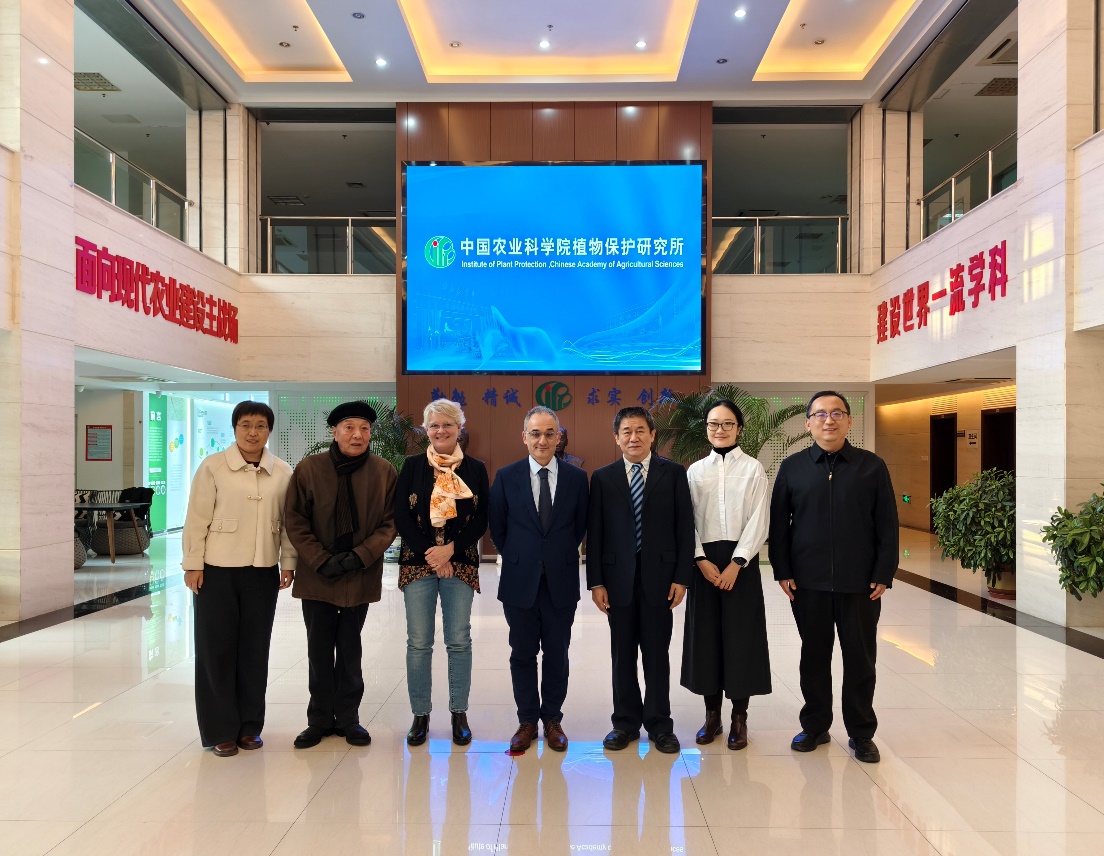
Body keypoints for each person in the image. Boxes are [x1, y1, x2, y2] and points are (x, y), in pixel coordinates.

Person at [769, 391, 899, 763]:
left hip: (860, 584)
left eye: (837, 413)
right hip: (807, 583)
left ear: (849, 421)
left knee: (860, 659)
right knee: (813, 657)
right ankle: (815, 726)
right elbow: (779, 525)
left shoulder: (871, 466)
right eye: (821, 414)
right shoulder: (792, 467)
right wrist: (783, 569)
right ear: (808, 423)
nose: (829, 420)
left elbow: (887, 524)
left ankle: (861, 732)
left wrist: (883, 572)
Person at [182, 401, 296, 758]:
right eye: (245, 425)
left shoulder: (282, 471)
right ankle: (219, 729)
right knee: (216, 651)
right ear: (234, 428)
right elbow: (196, 518)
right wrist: (192, 563)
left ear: (269, 431)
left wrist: (288, 562)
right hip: (216, 570)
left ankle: (249, 726)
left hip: (262, 571)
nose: (252, 432)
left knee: (254, 651)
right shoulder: (213, 467)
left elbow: (289, 523)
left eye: (260, 425)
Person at [284, 401, 397, 749]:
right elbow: (295, 519)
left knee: (350, 649)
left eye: (364, 428)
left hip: (358, 574)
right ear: (334, 432)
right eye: (349, 427)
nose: (357, 435)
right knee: (318, 649)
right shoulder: (309, 469)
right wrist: (320, 559)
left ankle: (348, 718)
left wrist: (360, 556)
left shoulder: (383, 471)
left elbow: (390, 522)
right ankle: (318, 719)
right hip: (318, 575)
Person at [586, 406, 695, 754]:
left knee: (656, 655)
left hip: (661, 580)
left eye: (640, 431)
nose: (634, 438)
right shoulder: (603, 478)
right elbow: (595, 533)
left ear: (652, 435)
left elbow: (684, 528)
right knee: (622, 655)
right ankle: (625, 723)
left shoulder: (673, 473)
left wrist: (682, 577)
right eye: (627, 432)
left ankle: (660, 725)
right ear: (616, 438)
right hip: (617, 581)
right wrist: (596, 582)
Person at [489, 406, 589, 753]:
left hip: (561, 579)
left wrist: (555, 554)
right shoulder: (506, 476)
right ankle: (527, 721)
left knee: (557, 653)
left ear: (559, 437)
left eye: (549, 433)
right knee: (522, 652)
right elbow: (498, 527)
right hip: (520, 580)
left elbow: (579, 526)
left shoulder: (577, 478)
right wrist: (523, 556)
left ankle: (553, 720)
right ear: (524, 437)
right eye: (535, 433)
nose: (542, 440)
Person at [394, 398, 489, 747]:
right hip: (418, 561)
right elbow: (401, 516)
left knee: (458, 640)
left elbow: (481, 517)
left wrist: (451, 549)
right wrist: (433, 555)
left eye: (448, 424)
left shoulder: (476, 468)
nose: (441, 430)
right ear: (426, 429)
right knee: (419, 642)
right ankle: (420, 714)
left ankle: (458, 713)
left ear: (459, 428)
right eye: (434, 425)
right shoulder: (411, 466)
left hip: (460, 561)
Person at [682, 399, 772, 750]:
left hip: (741, 564)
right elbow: (685, 519)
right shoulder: (694, 471)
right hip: (703, 563)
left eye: (727, 424)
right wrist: (700, 559)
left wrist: (737, 563)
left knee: (741, 639)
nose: (720, 430)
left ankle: (739, 717)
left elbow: (759, 519)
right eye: (713, 424)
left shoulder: (753, 469)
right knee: (705, 639)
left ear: (739, 428)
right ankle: (712, 716)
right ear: (706, 428)